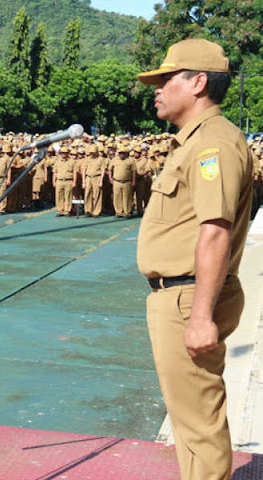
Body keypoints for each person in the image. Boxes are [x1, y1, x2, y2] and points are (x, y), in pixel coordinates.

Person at [136, 38, 253, 480]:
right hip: (181, 294)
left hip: (189, 296)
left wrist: (201, 315)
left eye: (167, 78)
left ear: (198, 82)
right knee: (188, 417)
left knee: (199, 421)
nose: (157, 88)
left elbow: (215, 231)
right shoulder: (196, 141)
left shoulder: (213, 145)